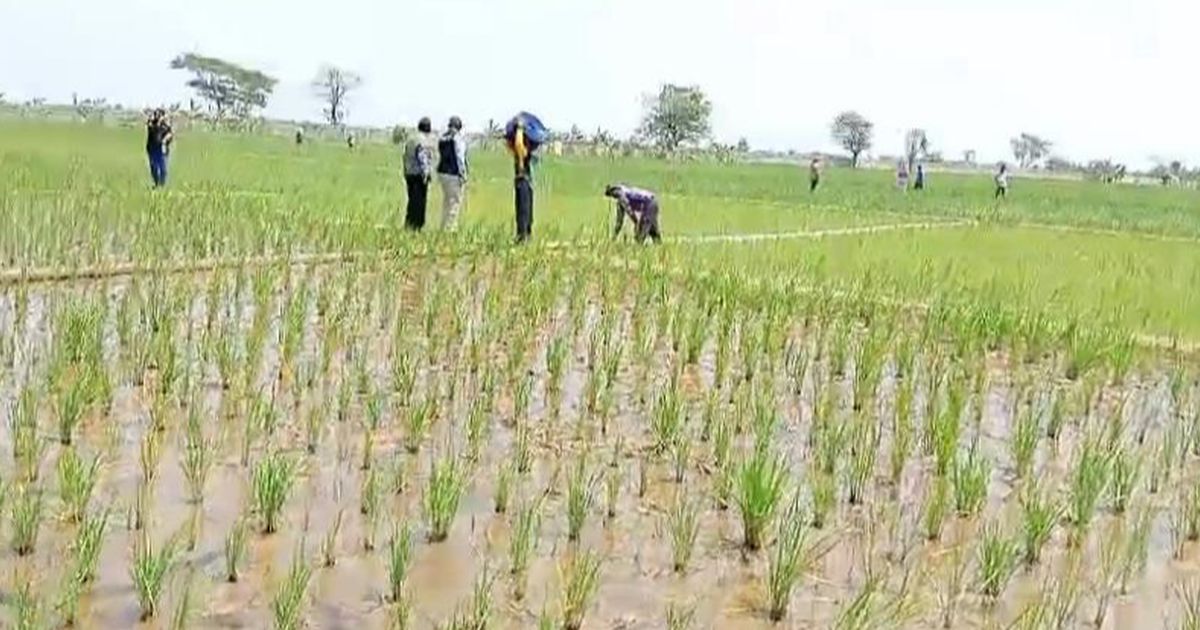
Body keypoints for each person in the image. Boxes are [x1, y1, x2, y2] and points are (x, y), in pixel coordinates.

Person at [402, 117, 436, 231]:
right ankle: (416, 226)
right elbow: (422, 158)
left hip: (409, 174)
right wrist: (426, 173)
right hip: (418, 175)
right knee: (419, 203)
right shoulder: (422, 141)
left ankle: (409, 224)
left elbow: (405, 156)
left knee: (411, 201)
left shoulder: (411, 139)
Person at [436, 116, 468, 231]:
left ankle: (443, 226)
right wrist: (463, 174)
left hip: (442, 173)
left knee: (446, 201)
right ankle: (450, 229)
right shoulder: (458, 139)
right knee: (454, 202)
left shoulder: (442, 138)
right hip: (453, 174)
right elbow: (460, 158)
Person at [145, 108, 174, 188]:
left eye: (160, 114)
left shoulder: (166, 125)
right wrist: (158, 122)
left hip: (162, 150)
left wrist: (166, 139)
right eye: (156, 114)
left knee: (163, 168)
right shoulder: (151, 123)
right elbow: (154, 131)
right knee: (154, 167)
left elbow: (170, 134)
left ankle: (161, 185)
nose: (158, 116)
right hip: (152, 149)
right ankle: (156, 183)